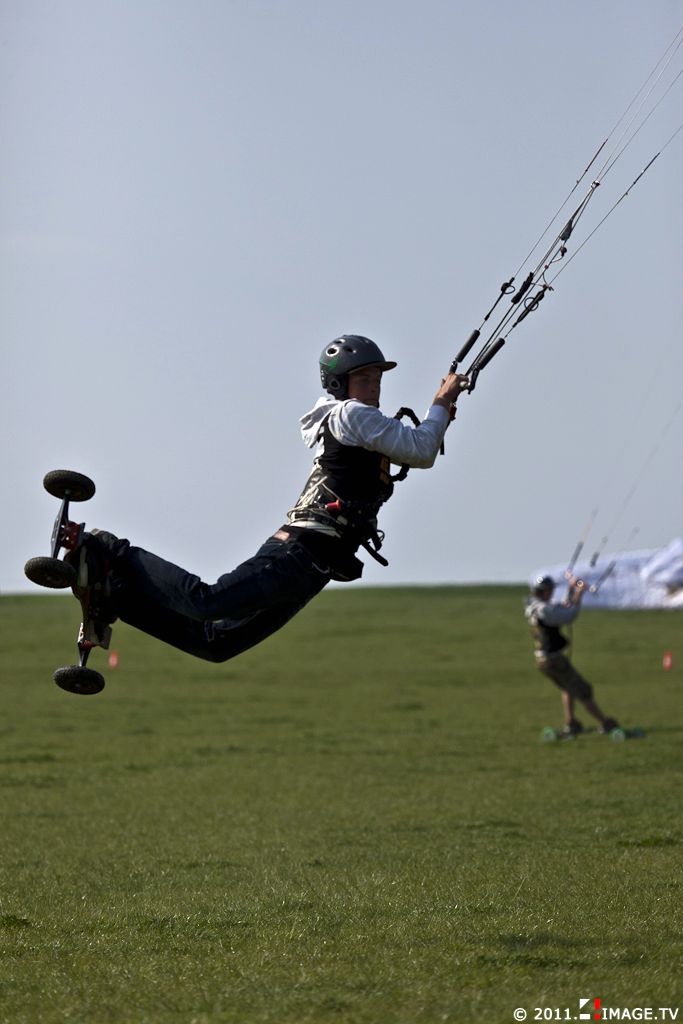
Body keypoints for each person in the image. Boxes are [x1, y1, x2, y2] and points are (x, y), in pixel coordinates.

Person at [67, 335, 469, 664]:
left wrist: (441, 414)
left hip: (317, 564)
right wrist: (441, 401)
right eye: (365, 378)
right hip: (300, 550)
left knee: (217, 644)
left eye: (378, 378)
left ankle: (116, 594)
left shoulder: (362, 425)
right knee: (209, 602)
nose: (375, 386)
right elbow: (421, 450)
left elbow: (415, 446)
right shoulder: (351, 415)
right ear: (339, 384)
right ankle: (109, 549)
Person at [524, 573, 619, 736]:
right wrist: (580, 592)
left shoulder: (534, 606)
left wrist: (571, 589)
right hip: (553, 659)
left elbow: (562, 608)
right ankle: (605, 723)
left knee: (567, 687)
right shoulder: (544, 609)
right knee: (583, 690)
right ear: (544, 591)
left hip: (543, 659)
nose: (552, 593)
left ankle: (571, 723)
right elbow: (568, 615)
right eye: (550, 590)